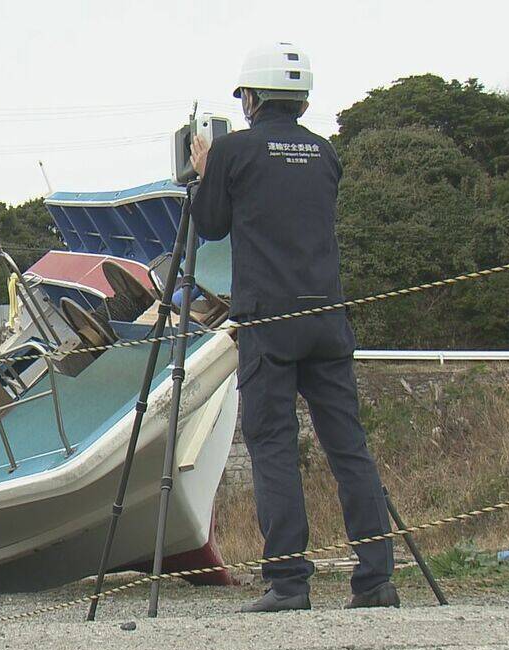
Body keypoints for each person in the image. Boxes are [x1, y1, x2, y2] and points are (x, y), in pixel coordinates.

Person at [189, 42, 398, 612]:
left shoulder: (234, 151)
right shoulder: (326, 153)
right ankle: (377, 579)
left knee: (274, 445)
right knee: (347, 446)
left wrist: (205, 172)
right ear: (302, 101)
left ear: (250, 98)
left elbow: (209, 227)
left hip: (270, 321)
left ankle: (288, 582)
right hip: (328, 317)